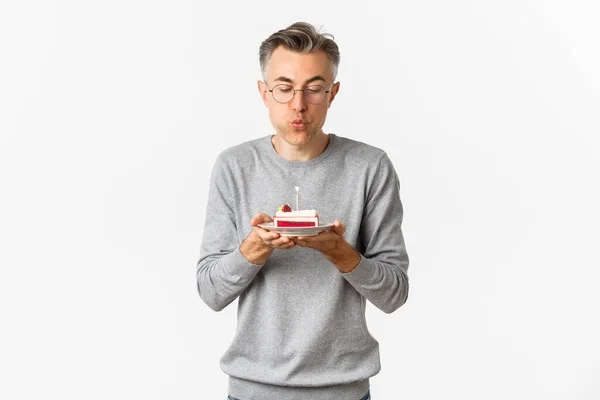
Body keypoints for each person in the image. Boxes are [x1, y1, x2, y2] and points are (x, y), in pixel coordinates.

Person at [196, 21, 410, 400]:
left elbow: (394, 294)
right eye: (284, 88)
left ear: (333, 93)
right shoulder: (234, 167)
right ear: (264, 93)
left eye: (313, 89)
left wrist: (340, 253)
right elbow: (211, 292)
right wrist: (254, 249)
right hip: (252, 390)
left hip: (344, 391)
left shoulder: (370, 167)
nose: (298, 104)